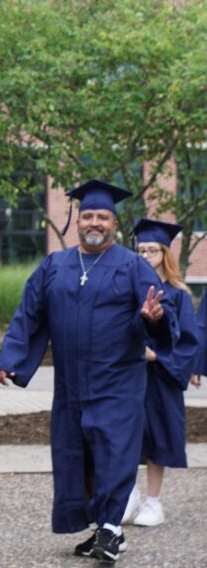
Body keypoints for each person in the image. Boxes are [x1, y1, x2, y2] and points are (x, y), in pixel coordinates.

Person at [0, 180, 177, 563]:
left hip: (118, 381)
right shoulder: (55, 264)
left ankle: (111, 529)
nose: (95, 223)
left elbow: (160, 312)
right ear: (78, 219)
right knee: (77, 456)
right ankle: (101, 527)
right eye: (89, 215)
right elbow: (30, 312)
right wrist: (11, 357)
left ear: (115, 223)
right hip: (71, 383)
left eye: (103, 217)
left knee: (114, 453)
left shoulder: (131, 265)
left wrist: (154, 318)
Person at [124, 218, 201, 527]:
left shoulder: (178, 294)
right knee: (125, 438)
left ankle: (153, 503)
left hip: (161, 377)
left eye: (152, 250)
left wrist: (157, 354)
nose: (145, 255)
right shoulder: (127, 290)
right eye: (140, 250)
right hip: (128, 375)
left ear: (165, 253)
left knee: (157, 438)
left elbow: (188, 339)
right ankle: (128, 496)